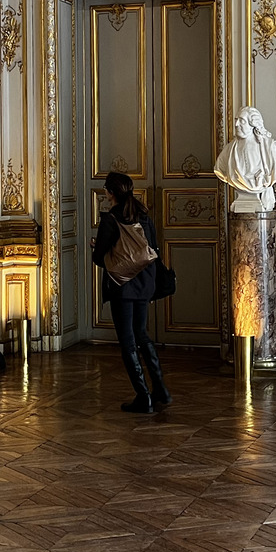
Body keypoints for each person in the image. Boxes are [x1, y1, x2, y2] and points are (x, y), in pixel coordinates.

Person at [91, 170, 169, 413]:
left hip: (122, 286)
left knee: (127, 341)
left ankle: (143, 396)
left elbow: (99, 258)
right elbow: (153, 248)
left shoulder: (110, 219)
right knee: (141, 334)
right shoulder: (143, 215)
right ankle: (160, 389)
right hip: (145, 283)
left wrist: (101, 249)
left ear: (110, 193)